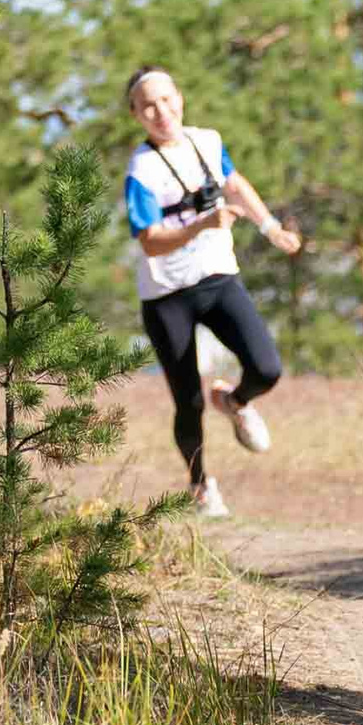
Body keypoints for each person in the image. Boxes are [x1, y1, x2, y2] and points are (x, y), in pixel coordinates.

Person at [121, 65, 303, 518]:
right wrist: (202, 222)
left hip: (218, 277)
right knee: (188, 400)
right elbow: (148, 239)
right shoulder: (141, 171)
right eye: (148, 105)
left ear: (180, 98)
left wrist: (270, 227)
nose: (160, 111)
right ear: (136, 114)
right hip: (167, 296)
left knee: (267, 366)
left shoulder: (208, 141)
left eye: (166, 99)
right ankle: (201, 486)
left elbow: (234, 184)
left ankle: (236, 401)